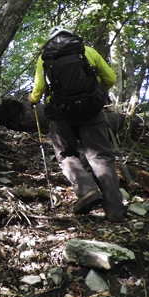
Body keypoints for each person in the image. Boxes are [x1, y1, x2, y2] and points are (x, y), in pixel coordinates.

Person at [29, 26, 125, 222]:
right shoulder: (87, 51)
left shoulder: (45, 57)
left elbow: (39, 88)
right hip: (91, 111)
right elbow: (110, 78)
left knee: (66, 156)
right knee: (101, 157)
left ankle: (87, 190)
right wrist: (97, 92)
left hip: (60, 113)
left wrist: (33, 99)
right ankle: (115, 208)